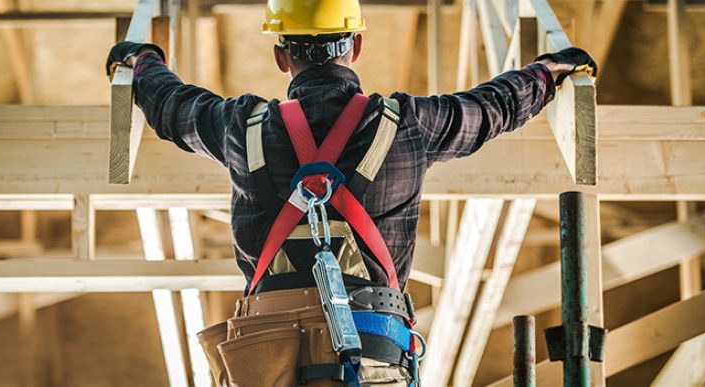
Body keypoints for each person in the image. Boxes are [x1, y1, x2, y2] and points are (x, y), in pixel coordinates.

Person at [106, 0, 597, 385]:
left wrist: (143, 60)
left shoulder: (243, 127)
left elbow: (174, 108)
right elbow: (490, 108)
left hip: (266, 357)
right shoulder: (407, 125)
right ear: (356, 45)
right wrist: (546, 72)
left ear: (280, 54)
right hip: (372, 353)